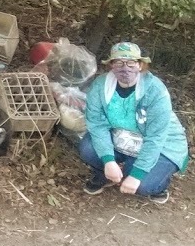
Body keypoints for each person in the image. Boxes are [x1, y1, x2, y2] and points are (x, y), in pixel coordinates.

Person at [80, 42, 189, 204]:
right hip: (122, 136)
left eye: (131, 62)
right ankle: (106, 173)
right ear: (111, 65)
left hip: (161, 144)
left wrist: (137, 174)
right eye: (118, 62)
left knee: (141, 184)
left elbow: (156, 136)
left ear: (140, 65)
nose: (125, 68)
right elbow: (96, 123)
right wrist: (108, 160)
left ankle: (159, 184)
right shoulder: (101, 86)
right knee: (88, 148)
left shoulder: (155, 91)